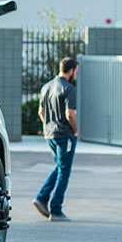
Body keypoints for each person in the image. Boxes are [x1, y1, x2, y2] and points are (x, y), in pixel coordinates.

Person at [35, 57, 78, 221]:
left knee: (60, 167)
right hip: (64, 135)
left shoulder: (46, 87)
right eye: (76, 71)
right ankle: (56, 208)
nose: (76, 74)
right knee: (64, 172)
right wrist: (76, 130)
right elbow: (70, 114)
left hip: (50, 134)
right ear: (71, 70)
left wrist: (48, 126)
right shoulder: (68, 88)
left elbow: (41, 112)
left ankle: (41, 198)